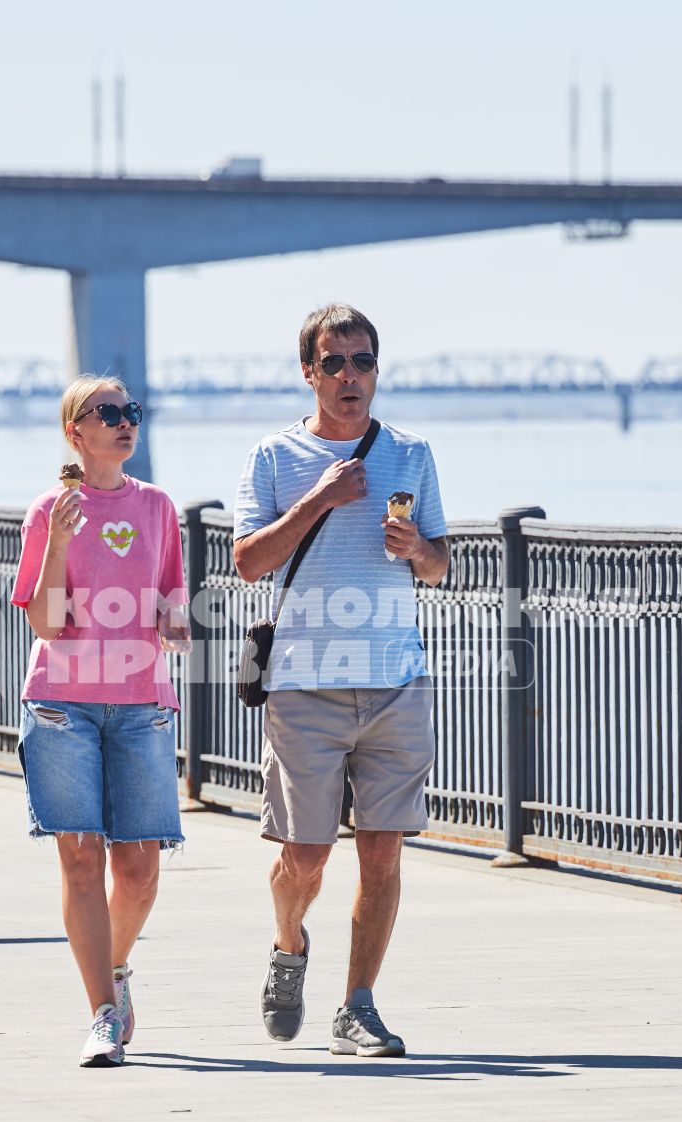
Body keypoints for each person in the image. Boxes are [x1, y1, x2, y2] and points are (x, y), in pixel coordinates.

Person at [233, 304, 450, 1058]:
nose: (350, 376)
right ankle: (288, 946)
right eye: (335, 363)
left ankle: (358, 1006)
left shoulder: (411, 452)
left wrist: (417, 546)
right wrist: (318, 499)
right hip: (304, 685)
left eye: (362, 362)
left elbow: (440, 565)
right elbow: (248, 561)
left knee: (383, 852)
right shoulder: (272, 455)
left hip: (396, 680)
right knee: (307, 855)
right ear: (309, 372)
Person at [11, 375, 188, 1068]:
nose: (123, 422)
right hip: (63, 703)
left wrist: (176, 620)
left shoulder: (157, 506)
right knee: (81, 859)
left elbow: (173, 594)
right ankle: (102, 1014)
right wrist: (57, 538)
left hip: (141, 700)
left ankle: (112, 968)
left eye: (130, 412)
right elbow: (48, 622)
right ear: (74, 431)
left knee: (139, 868)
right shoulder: (47, 510)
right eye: (107, 413)